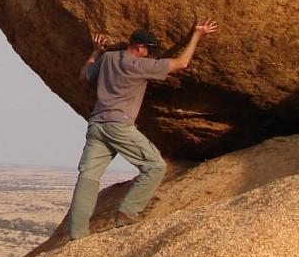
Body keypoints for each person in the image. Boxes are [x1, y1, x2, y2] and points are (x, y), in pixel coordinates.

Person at [66, 19, 219, 240]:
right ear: (140, 48)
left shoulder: (108, 58)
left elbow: (85, 75)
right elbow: (182, 63)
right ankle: (128, 212)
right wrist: (197, 34)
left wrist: (95, 51)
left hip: (97, 125)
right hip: (119, 125)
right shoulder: (139, 65)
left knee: (88, 177)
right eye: (149, 51)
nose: (150, 56)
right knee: (155, 166)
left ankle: (78, 234)